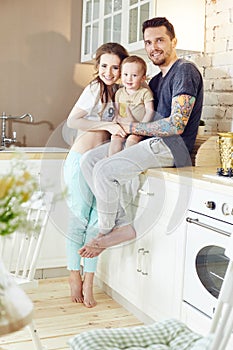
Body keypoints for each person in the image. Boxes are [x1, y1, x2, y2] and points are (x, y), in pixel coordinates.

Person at [78, 17, 204, 259]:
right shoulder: (155, 81)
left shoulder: (185, 70)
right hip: (148, 142)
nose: (153, 47)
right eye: (148, 42)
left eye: (160, 40)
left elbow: (177, 124)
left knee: (105, 171)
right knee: (89, 161)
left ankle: (108, 229)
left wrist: (133, 127)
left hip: (171, 146)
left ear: (173, 41)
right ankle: (123, 224)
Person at [64, 42, 129, 307]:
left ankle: (89, 279)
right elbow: (72, 121)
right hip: (80, 162)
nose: (109, 72)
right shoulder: (94, 89)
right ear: (97, 66)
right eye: (104, 66)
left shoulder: (126, 93)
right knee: (79, 220)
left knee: (97, 224)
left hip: (101, 168)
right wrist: (109, 125)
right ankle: (73, 275)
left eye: (115, 67)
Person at [108, 55, 154, 156]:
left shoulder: (144, 92)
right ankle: (111, 159)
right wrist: (117, 120)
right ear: (121, 75)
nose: (129, 79)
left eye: (134, 75)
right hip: (123, 125)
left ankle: (127, 159)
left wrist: (142, 126)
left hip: (138, 128)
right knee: (115, 138)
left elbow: (150, 111)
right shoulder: (119, 92)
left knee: (132, 140)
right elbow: (117, 109)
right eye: (125, 74)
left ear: (143, 78)